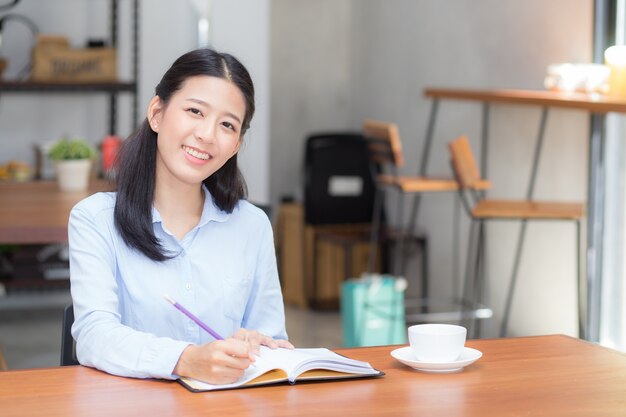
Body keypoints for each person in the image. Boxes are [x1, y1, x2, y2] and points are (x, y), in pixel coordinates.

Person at [68, 48, 292, 385]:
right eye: (194, 111)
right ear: (157, 113)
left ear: (235, 145)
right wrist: (186, 360)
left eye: (227, 125)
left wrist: (263, 347)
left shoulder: (252, 225)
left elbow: (268, 336)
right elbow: (94, 337)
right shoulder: (95, 220)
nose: (207, 134)